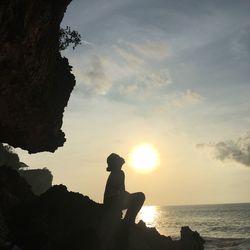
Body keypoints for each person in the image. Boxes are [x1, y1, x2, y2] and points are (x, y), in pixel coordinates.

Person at [103, 153, 145, 224]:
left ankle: (128, 220)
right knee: (140, 196)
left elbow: (121, 192)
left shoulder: (115, 173)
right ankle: (129, 220)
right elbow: (122, 192)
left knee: (134, 197)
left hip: (110, 203)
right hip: (113, 202)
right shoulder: (119, 173)